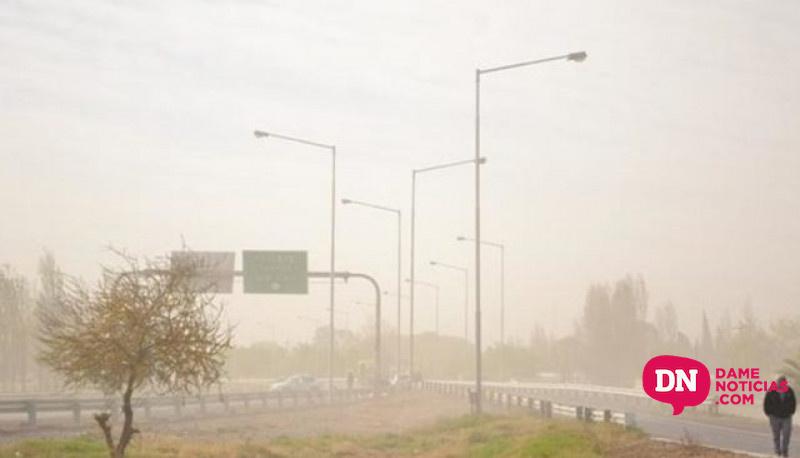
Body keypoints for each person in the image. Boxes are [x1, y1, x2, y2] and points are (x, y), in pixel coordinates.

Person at [764, 375, 796, 457]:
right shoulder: (771, 391)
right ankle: (777, 451)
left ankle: (785, 451)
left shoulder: (789, 391)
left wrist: (791, 411)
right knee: (776, 435)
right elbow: (766, 403)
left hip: (786, 417)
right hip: (774, 417)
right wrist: (769, 413)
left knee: (786, 434)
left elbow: (793, 402)